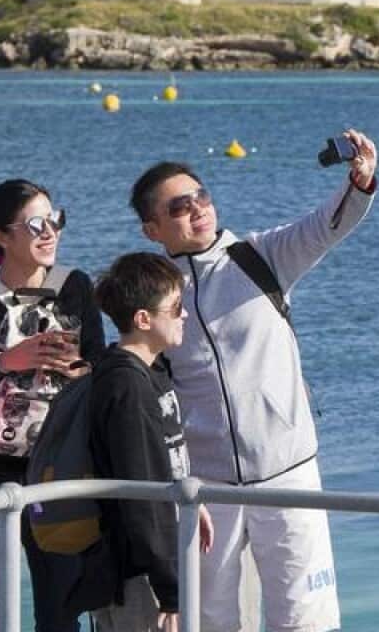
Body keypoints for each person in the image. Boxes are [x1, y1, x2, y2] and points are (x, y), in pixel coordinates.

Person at [129, 129, 379, 632]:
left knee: (303, 620)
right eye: (179, 206)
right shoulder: (156, 293)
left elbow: (324, 227)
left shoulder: (259, 256)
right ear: (152, 228)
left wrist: (360, 182)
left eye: (201, 195)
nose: (197, 208)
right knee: (211, 621)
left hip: (288, 474)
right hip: (206, 487)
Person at [0, 179, 105, 632]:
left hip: (60, 468)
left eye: (56, 220)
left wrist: (77, 368)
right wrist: (5, 363)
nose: (50, 231)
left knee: (61, 610)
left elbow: (100, 370)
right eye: (36, 224)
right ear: (0, 236)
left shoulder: (75, 286)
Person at [89, 252, 215, 632]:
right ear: (143, 319)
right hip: (139, 573)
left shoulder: (152, 368)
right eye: (176, 307)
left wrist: (191, 500)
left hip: (159, 556)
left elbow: (166, 454)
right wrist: (171, 591)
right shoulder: (126, 385)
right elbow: (140, 495)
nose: (185, 315)